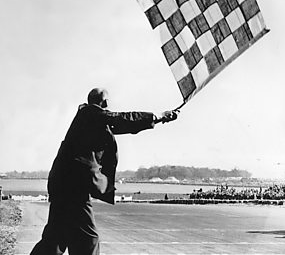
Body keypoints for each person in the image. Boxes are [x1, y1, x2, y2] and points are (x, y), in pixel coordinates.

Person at [30, 88, 177, 255]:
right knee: (87, 240)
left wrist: (159, 119)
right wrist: (157, 115)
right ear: (104, 102)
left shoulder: (89, 119)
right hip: (73, 186)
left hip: (63, 184)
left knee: (57, 237)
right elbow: (122, 119)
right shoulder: (90, 113)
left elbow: (125, 124)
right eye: (107, 101)